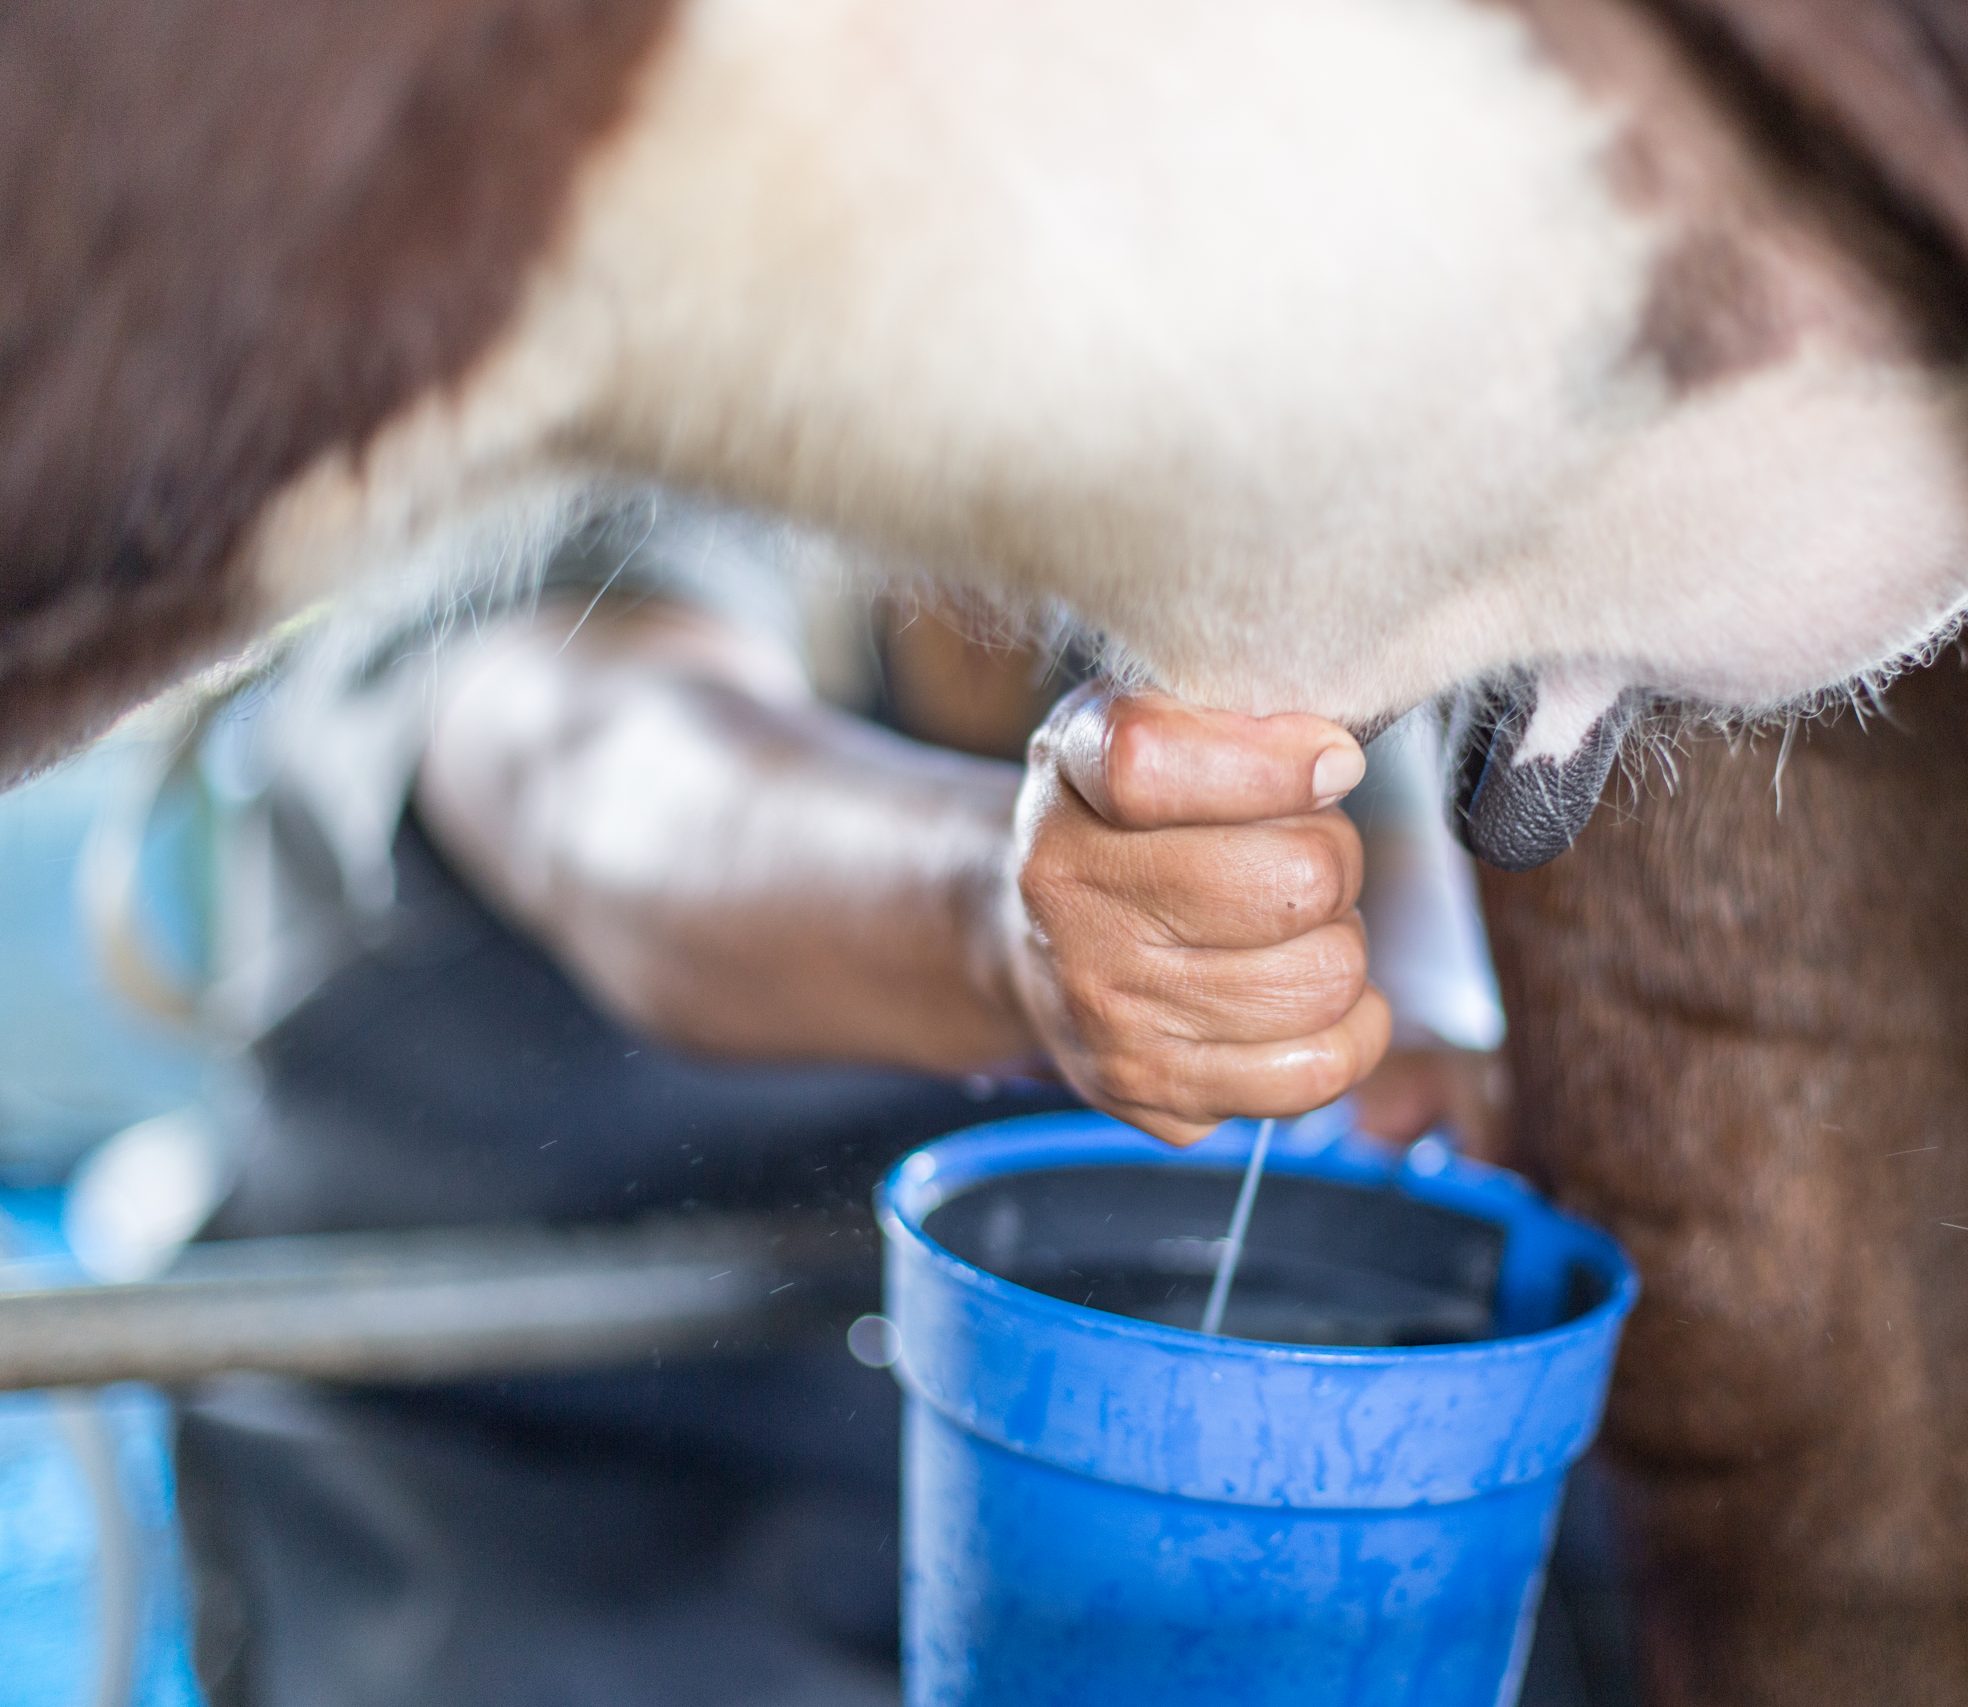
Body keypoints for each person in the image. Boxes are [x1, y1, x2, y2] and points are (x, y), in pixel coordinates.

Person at [174, 501, 1507, 1706]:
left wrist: (1427, 1027)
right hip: (504, 1456)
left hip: (976, 1467)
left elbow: (1392, 884)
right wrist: (1006, 923)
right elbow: (608, 782)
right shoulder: (576, 421)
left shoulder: (1234, 525)